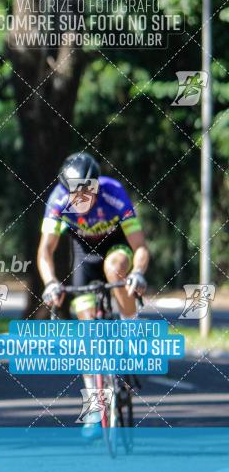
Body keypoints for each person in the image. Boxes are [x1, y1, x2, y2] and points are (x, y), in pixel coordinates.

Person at [37, 152, 150, 435]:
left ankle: (129, 327)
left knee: (115, 268)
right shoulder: (58, 201)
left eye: (85, 191)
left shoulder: (114, 194)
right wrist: (51, 282)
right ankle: (95, 405)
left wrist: (137, 273)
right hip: (84, 257)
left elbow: (140, 247)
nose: (79, 197)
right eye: (73, 191)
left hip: (116, 250)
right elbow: (45, 251)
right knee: (87, 333)